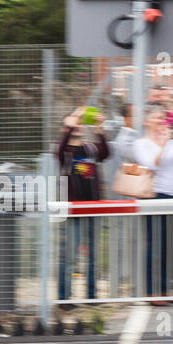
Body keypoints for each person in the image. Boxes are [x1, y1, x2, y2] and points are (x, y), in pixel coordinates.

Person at [134, 105, 173, 305]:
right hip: (155, 196)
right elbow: (152, 164)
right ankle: (152, 290)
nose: (161, 121)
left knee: (171, 245)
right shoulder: (141, 144)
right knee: (155, 245)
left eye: (163, 118)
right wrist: (165, 143)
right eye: (156, 118)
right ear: (146, 121)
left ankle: (166, 289)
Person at [56, 108, 110, 306]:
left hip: (93, 207)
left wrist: (99, 128)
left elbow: (106, 152)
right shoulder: (65, 152)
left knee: (93, 256)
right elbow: (59, 151)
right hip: (73, 210)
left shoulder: (90, 149)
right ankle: (64, 297)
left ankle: (91, 295)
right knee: (69, 255)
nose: (79, 125)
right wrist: (69, 127)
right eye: (75, 121)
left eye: (81, 122)